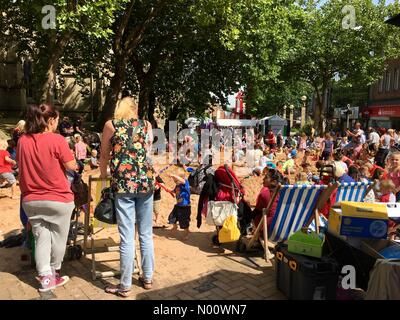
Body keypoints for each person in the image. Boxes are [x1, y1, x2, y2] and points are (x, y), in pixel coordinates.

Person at [16, 104, 77, 292]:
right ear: (50, 120)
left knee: (41, 236)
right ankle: (54, 272)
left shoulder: (22, 140)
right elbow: (72, 166)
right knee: (59, 238)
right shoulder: (57, 140)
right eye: (57, 120)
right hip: (58, 198)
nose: (57, 124)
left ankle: (45, 279)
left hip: (31, 200)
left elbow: (20, 164)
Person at [100, 96, 155, 297]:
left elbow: (104, 155)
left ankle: (125, 285)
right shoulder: (147, 125)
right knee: (146, 234)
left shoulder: (111, 125)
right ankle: (147, 277)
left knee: (126, 237)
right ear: (134, 109)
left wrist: (104, 175)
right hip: (146, 183)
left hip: (123, 184)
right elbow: (146, 152)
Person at [165, 168, 191, 240]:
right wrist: (170, 190)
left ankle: (187, 233)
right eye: (174, 181)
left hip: (185, 207)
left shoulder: (185, 183)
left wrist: (173, 175)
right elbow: (175, 190)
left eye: (176, 180)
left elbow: (182, 180)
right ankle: (175, 226)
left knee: (184, 221)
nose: (175, 182)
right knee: (172, 217)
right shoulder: (178, 185)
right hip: (178, 205)